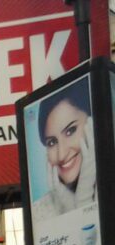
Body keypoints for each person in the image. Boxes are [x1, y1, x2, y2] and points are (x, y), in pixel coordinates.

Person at [32, 78, 96, 219]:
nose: (61, 155)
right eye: (52, 142)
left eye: (70, 131)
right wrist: (70, 206)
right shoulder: (39, 212)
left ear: (92, 124)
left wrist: (84, 197)